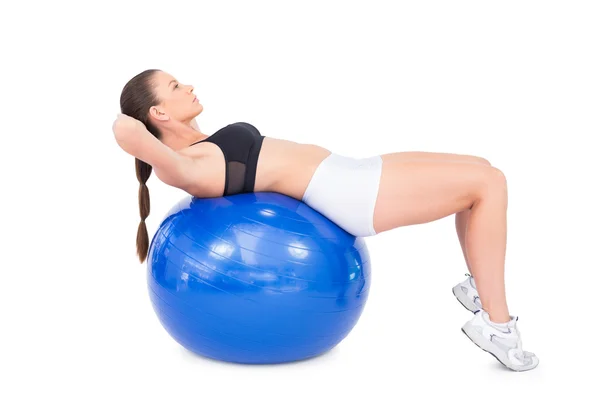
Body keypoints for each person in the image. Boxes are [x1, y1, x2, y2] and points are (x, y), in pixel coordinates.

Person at [113, 68, 539, 372]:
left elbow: (142, 129)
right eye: (174, 86)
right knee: (489, 184)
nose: (188, 85)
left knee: (482, 169)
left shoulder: (199, 144)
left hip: (349, 172)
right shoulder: (181, 165)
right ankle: (497, 327)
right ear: (159, 113)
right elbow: (126, 132)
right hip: (348, 195)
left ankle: (481, 286)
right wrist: (132, 118)